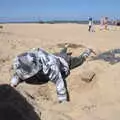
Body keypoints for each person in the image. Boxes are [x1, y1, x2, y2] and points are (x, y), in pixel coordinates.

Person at [10, 45, 96, 103]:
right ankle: (65, 47)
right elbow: (20, 71)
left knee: (79, 60)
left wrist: (63, 102)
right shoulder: (30, 57)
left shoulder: (50, 67)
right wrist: (13, 83)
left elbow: (60, 83)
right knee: (60, 54)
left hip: (65, 61)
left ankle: (88, 51)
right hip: (54, 56)